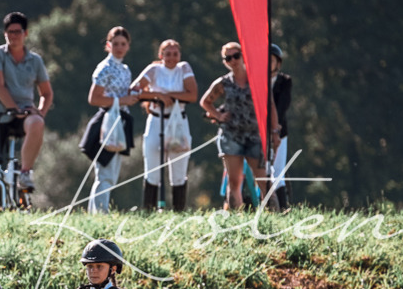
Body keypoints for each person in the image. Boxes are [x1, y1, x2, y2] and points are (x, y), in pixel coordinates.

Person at [0, 12, 54, 214]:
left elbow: (46, 93)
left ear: (25, 33)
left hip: (22, 116)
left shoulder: (35, 61)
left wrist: (40, 112)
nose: (13, 36)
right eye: (10, 32)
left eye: (17, 32)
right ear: (5, 34)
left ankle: (25, 172)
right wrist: (14, 109)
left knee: (37, 123)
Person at [199, 42, 280, 210]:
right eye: (228, 58)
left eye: (236, 55)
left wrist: (274, 132)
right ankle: (237, 219)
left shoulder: (257, 80)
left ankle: (275, 217)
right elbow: (205, 102)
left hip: (254, 135)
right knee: (234, 181)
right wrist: (219, 115)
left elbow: (270, 105)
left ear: (243, 56)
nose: (233, 60)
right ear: (225, 62)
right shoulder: (223, 83)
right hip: (231, 136)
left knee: (264, 179)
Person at [132, 39, 198, 211]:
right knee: (152, 166)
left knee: (179, 167)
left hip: (178, 121)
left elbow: (192, 95)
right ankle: (149, 208)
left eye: (175, 54)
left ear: (179, 55)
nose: (171, 58)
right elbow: (135, 90)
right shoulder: (154, 70)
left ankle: (178, 209)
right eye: (167, 54)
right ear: (161, 55)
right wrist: (157, 96)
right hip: (156, 120)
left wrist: (169, 95)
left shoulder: (183, 68)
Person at [86, 27, 146, 214]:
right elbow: (94, 98)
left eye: (123, 44)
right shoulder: (105, 68)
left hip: (121, 121)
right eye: (116, 44)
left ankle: (97, 212)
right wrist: (121, 101)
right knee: (104, 172)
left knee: (112, 173)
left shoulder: (125, 69)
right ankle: (99, 214)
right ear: (108, 45)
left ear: (128, 46)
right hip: (107, 121)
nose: (119, 48)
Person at [270, 43, 293, 209]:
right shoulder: (256, 82)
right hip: (258, 132)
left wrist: (274, 128)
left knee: (277, 173)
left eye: (271, 60)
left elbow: (283, 106)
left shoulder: (284, 81)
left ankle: (283, 209)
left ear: (278, 63)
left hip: (279, 131)